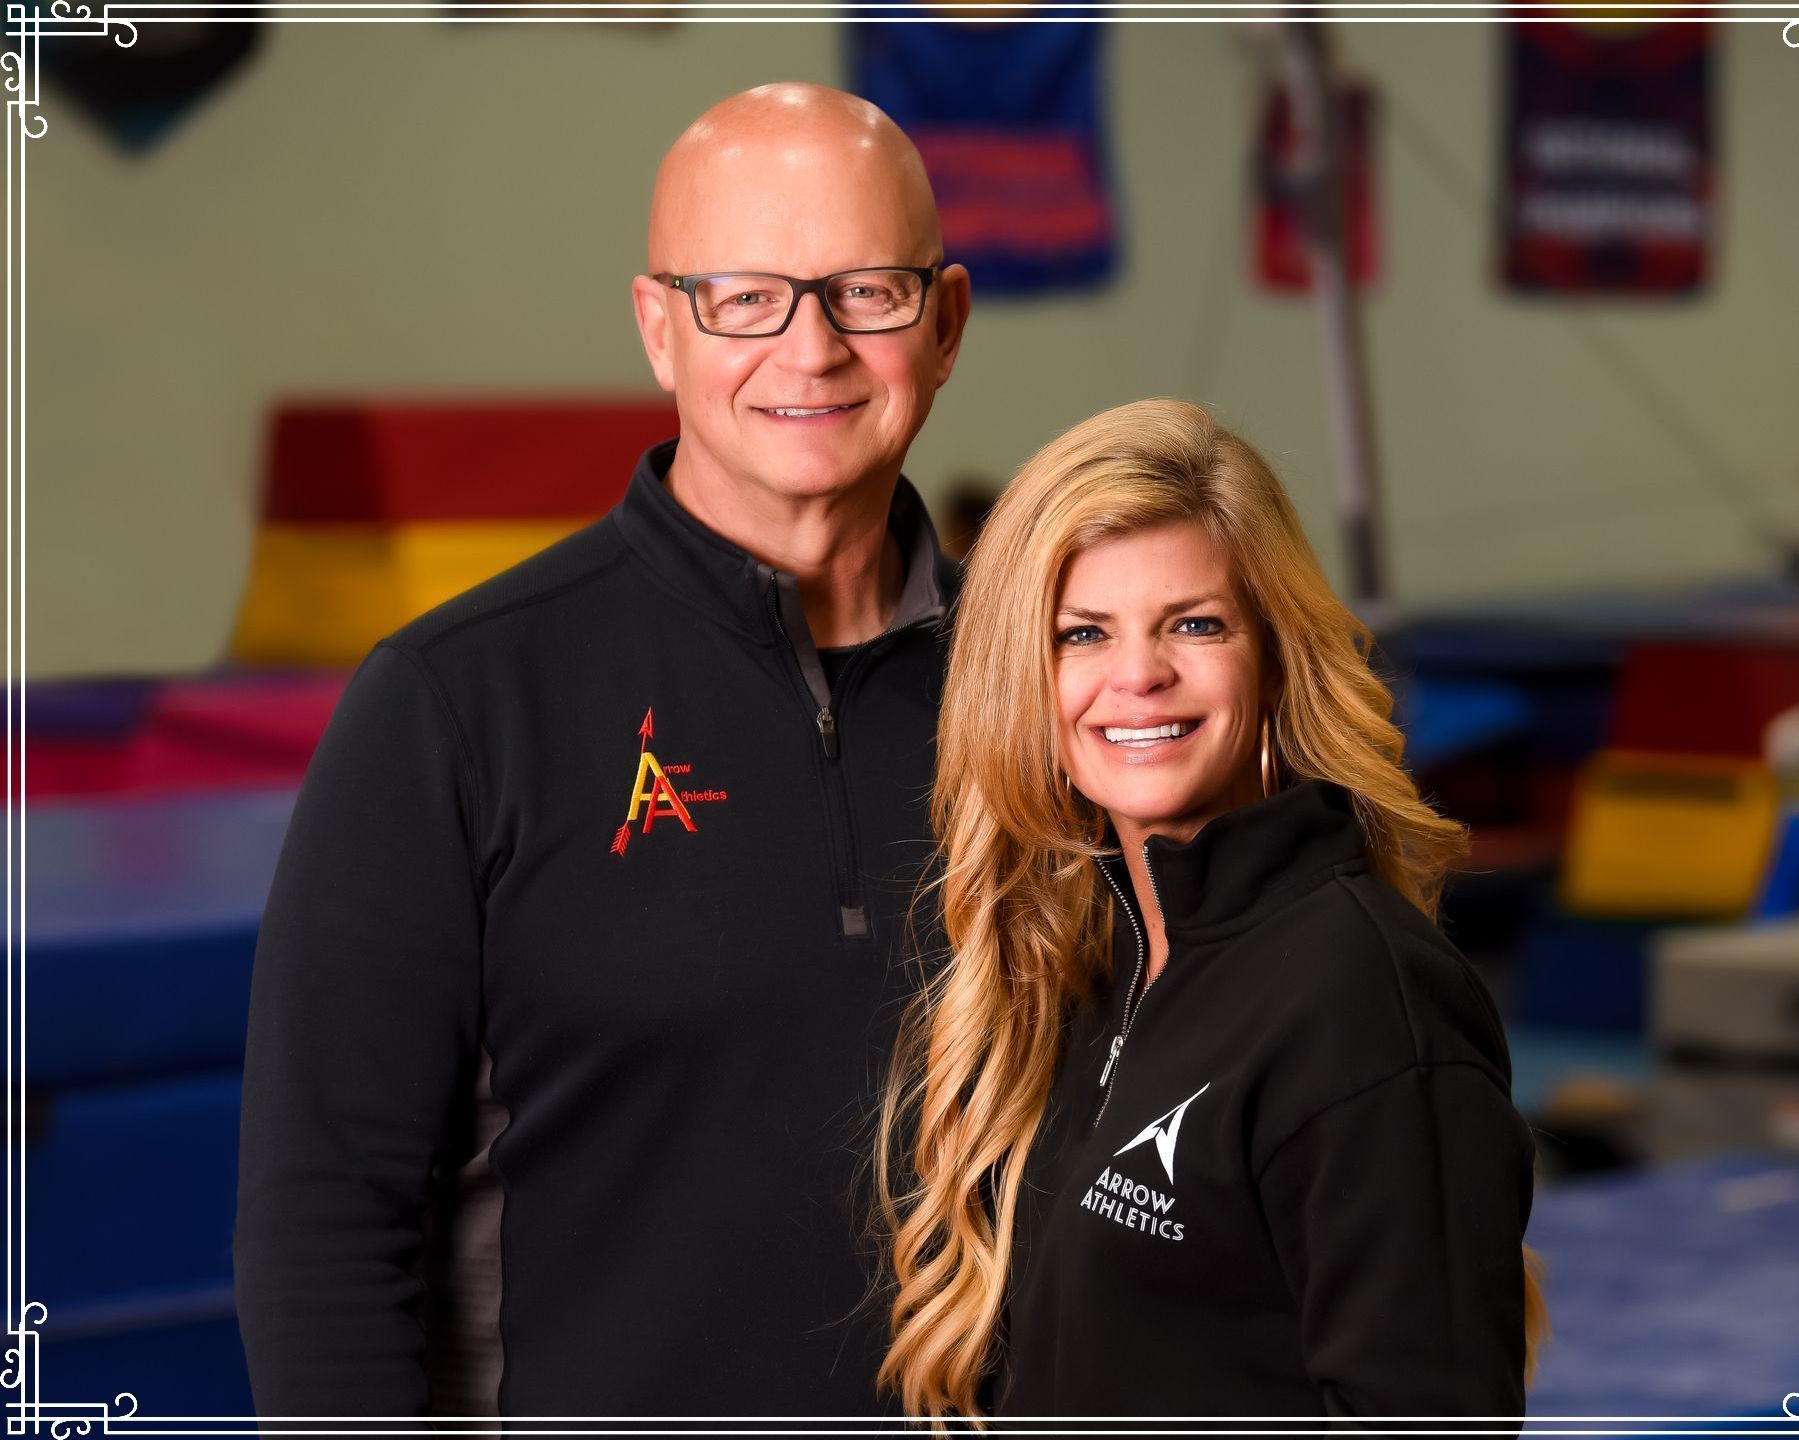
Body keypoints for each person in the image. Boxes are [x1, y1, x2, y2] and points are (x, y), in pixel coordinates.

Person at [235, 83, 970, 1415]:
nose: (812, 350)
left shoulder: (1043, 688)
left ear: (948, 321)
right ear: (658, 329)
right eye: (744, 296)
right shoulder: (457, 704)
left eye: (869, 291)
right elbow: (323, 1225)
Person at [878, 399, 1546, 1417]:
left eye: (1195, 624)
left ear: (1273, 658)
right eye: (1082, 634)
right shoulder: (1089, 965)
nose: (1138, 675)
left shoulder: (1364, 998)